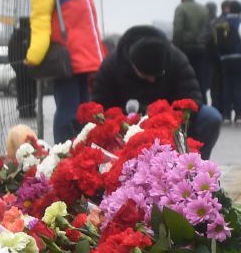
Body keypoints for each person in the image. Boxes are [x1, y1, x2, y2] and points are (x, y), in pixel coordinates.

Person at [24, 0, 107, 143]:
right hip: (67, 56)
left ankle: (83, 158)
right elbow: (40, 17)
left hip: (86, 54)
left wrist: (100, 51)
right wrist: (35, 54)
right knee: (68, 111)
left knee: (85, 113)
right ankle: (63, 157)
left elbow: (90, 18)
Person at [91, 25, 223, 156]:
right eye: (146, 76)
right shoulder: (112, 65)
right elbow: (101, 106)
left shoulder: (176, 59)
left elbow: (192, 100)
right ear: (133, 65)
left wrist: (167, 122)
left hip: (171, 124)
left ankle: (194, 167)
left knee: (211, 117)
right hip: (128, 128)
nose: (152, 80)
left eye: (158, 75)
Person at [171, 0, 212, 111]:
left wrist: (175, 48)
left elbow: (178, 30)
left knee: (184, 79)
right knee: (200, 80)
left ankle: (185, 107)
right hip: (201, 49)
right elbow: (208, 29)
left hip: (185, 48)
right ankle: (202, 106)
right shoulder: (204, 9)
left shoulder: (181, 8)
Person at [210, 0, 241, 121]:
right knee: (237, 86)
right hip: (238, 58)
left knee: (227, 86)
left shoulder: (222, 22)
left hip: (224, 58)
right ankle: (238, 113)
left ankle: (226, 113)